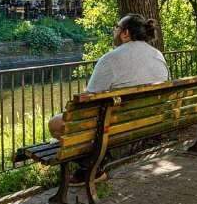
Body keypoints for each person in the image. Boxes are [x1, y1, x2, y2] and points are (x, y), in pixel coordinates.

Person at [47, 13, 169, 185]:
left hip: (115, 126)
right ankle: (95, 165)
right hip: (151, 120)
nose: (114, 31)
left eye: (116, 28)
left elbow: (88, 101)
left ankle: (91, 167)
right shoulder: (158, 55)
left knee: (55, 123)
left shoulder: (110, 59)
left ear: (125, 33)